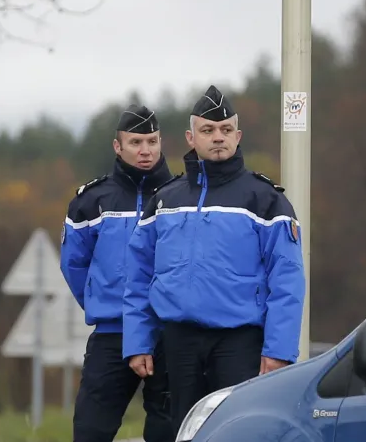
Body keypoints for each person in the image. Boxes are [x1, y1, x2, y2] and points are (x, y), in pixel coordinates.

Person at [122, 85, 307, 431]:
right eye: (208, 130)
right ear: (191, 137)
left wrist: (279, 351)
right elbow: (138, 276)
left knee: (239, 431)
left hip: (240, 343)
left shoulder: (266, 201)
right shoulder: (164, 201)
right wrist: (137, 341)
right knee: (182, 431)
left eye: (225, 130)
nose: (217, 138)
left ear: (238, 136)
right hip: (178, 342)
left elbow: (288, 281)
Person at [61, 105, 175, 442]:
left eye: (152, 141)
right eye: (136, 142)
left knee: (168, 430)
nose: (145, 151)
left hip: (168, 332)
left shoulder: (180, 198)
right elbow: (74, 265)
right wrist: (105, 301)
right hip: (113, 333)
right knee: (90, 429)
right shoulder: (91, 201)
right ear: (117, 146)